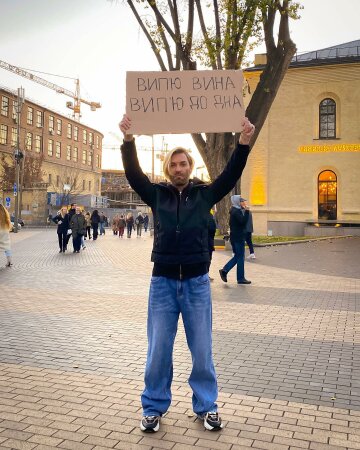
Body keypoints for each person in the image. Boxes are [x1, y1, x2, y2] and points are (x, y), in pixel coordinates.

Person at [119, 113, 255, 433]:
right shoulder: (157, 195)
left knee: (202, 350)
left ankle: (206, 406)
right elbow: (133, 173)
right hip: (163, 283)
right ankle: (153, 407)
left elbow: (231, 173)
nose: (179, 168)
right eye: (174, 164)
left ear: (190, 167)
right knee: (158, 351)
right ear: (168, 169)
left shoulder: (204, 194)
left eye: (183, 164)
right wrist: (127, 140)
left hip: (195, 284)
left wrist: (244, 144)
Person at [219, 196, 251, 285]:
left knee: (238, 256)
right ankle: (240, 278)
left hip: (235, 237)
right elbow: (243, 222)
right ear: (237, 202)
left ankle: (225, 271)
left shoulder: (234, 210)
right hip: (238, 238)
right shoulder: (236, 212)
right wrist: (247, 211)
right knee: (240, 257)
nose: (244, 203)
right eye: (242, 201)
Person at [208, 211, 217, 281]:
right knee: (207, 259)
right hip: (207, 242)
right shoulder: (209, 216)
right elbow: (212, 229)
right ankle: (205, 274)